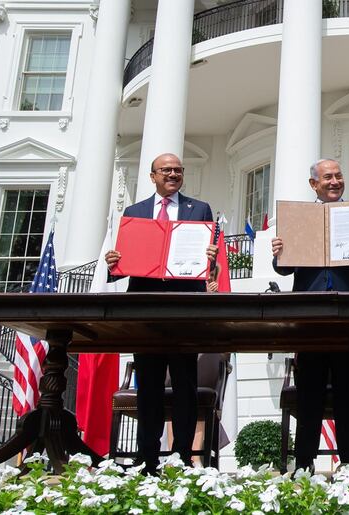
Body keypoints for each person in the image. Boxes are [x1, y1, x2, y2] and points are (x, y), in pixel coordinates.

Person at [105, 153, 217, 475]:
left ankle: (181, 457)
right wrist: (114, 264)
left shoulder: (200, 210)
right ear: (152, 175)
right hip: (146, 311)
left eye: (178, 170)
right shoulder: (135, 212)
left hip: (185, 309)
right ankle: (148, 458)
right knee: (149, 387)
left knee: (185, 385)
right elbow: (123, 267)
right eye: (166, 170)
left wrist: (211, 257)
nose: (173, 174)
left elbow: (209, 266)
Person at [271, 158, 349, 471]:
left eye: (339, 176)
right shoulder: (298, 217)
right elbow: (284, 268)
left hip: (348, 317)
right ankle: (304, 465)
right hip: (310, 319)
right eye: (328, 177)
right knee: (310, 393)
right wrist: (280, 252)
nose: (335, 181)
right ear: (314, 184)